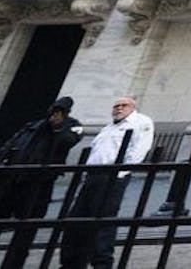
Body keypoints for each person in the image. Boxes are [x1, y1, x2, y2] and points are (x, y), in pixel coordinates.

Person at [0, 97, 82, 269]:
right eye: (54, 109)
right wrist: (0, 167)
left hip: (37, 185)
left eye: (61, 110)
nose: (56, 113)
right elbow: (10, 145)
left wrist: (58, 126)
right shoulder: (33, 125)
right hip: (10, 182)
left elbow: (68, 141)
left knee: (24, 233)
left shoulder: (72, 126)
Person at [58, 96, 154, 269]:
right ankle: (73, 262)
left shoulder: (140, 122)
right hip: (92, 177)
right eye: (116, 106)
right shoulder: (109, 128)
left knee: (102, 223)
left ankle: (102, 264)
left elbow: (139, 148)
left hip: (111, 176)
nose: (118, 109)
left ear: (133, 107)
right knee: (76, 221)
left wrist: (119, 173)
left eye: (123, 105)